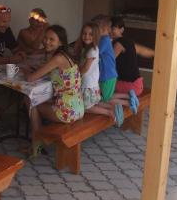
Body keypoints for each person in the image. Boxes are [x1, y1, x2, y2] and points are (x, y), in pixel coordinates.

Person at [24, 25, 84, 155]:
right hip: (78, 107)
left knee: (31, 101)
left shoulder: (58, 58)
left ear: (60, 42)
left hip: (67, 111)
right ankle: (39, 141)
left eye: (52, 39)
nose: (47, 42)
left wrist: (25, 71)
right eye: (45, 38)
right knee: (38, 99)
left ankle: (36, 145)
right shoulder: (66, 55)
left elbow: (30, 78)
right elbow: (51, 72)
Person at [111, 16, 155, 112]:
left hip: (128, 86)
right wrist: (154, 53)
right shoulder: (129, 41)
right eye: (109, 28)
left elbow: (108, 62)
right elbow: (143, 51)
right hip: (138, 85)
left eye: (113, 28)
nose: (110, 31)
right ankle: (129, 98)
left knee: (103, 94)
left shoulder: (119, 43)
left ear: (122, 29)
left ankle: (127, 100)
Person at [91, 14, 124, 124]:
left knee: (103, 99)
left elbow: (95, 53)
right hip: (107, 75)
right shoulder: (104, 39)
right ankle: (116, 107)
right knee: (103, 97)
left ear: (103, 29)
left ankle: (114, 110)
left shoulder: (104, 40)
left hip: (107, 76)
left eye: (94, 30)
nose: (92, 33)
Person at [75, 22, 108, 116]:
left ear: (96, 36)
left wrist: (75, 74)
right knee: (91, 104)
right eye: (84, 33)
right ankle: (112, 109)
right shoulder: (89, 48)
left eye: (90, 34)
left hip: (88, 83)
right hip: (90, 82)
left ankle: (109, 112)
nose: (87, 36)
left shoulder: (92, 50)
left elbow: (85, 68)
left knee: (85, 107)